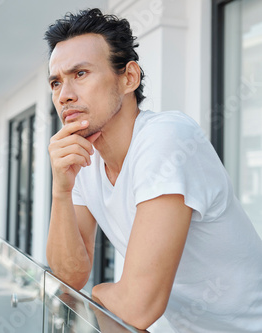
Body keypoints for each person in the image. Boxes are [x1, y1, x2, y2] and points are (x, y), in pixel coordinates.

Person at [44, 8, 262, 332]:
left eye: (81, 74)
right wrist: (60, 190)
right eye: (56, 82)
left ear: (129, 77)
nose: (64, 95)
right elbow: (70, 276)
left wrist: (100, 294)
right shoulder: (83, 158)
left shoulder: (166, 137)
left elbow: (137, 306)